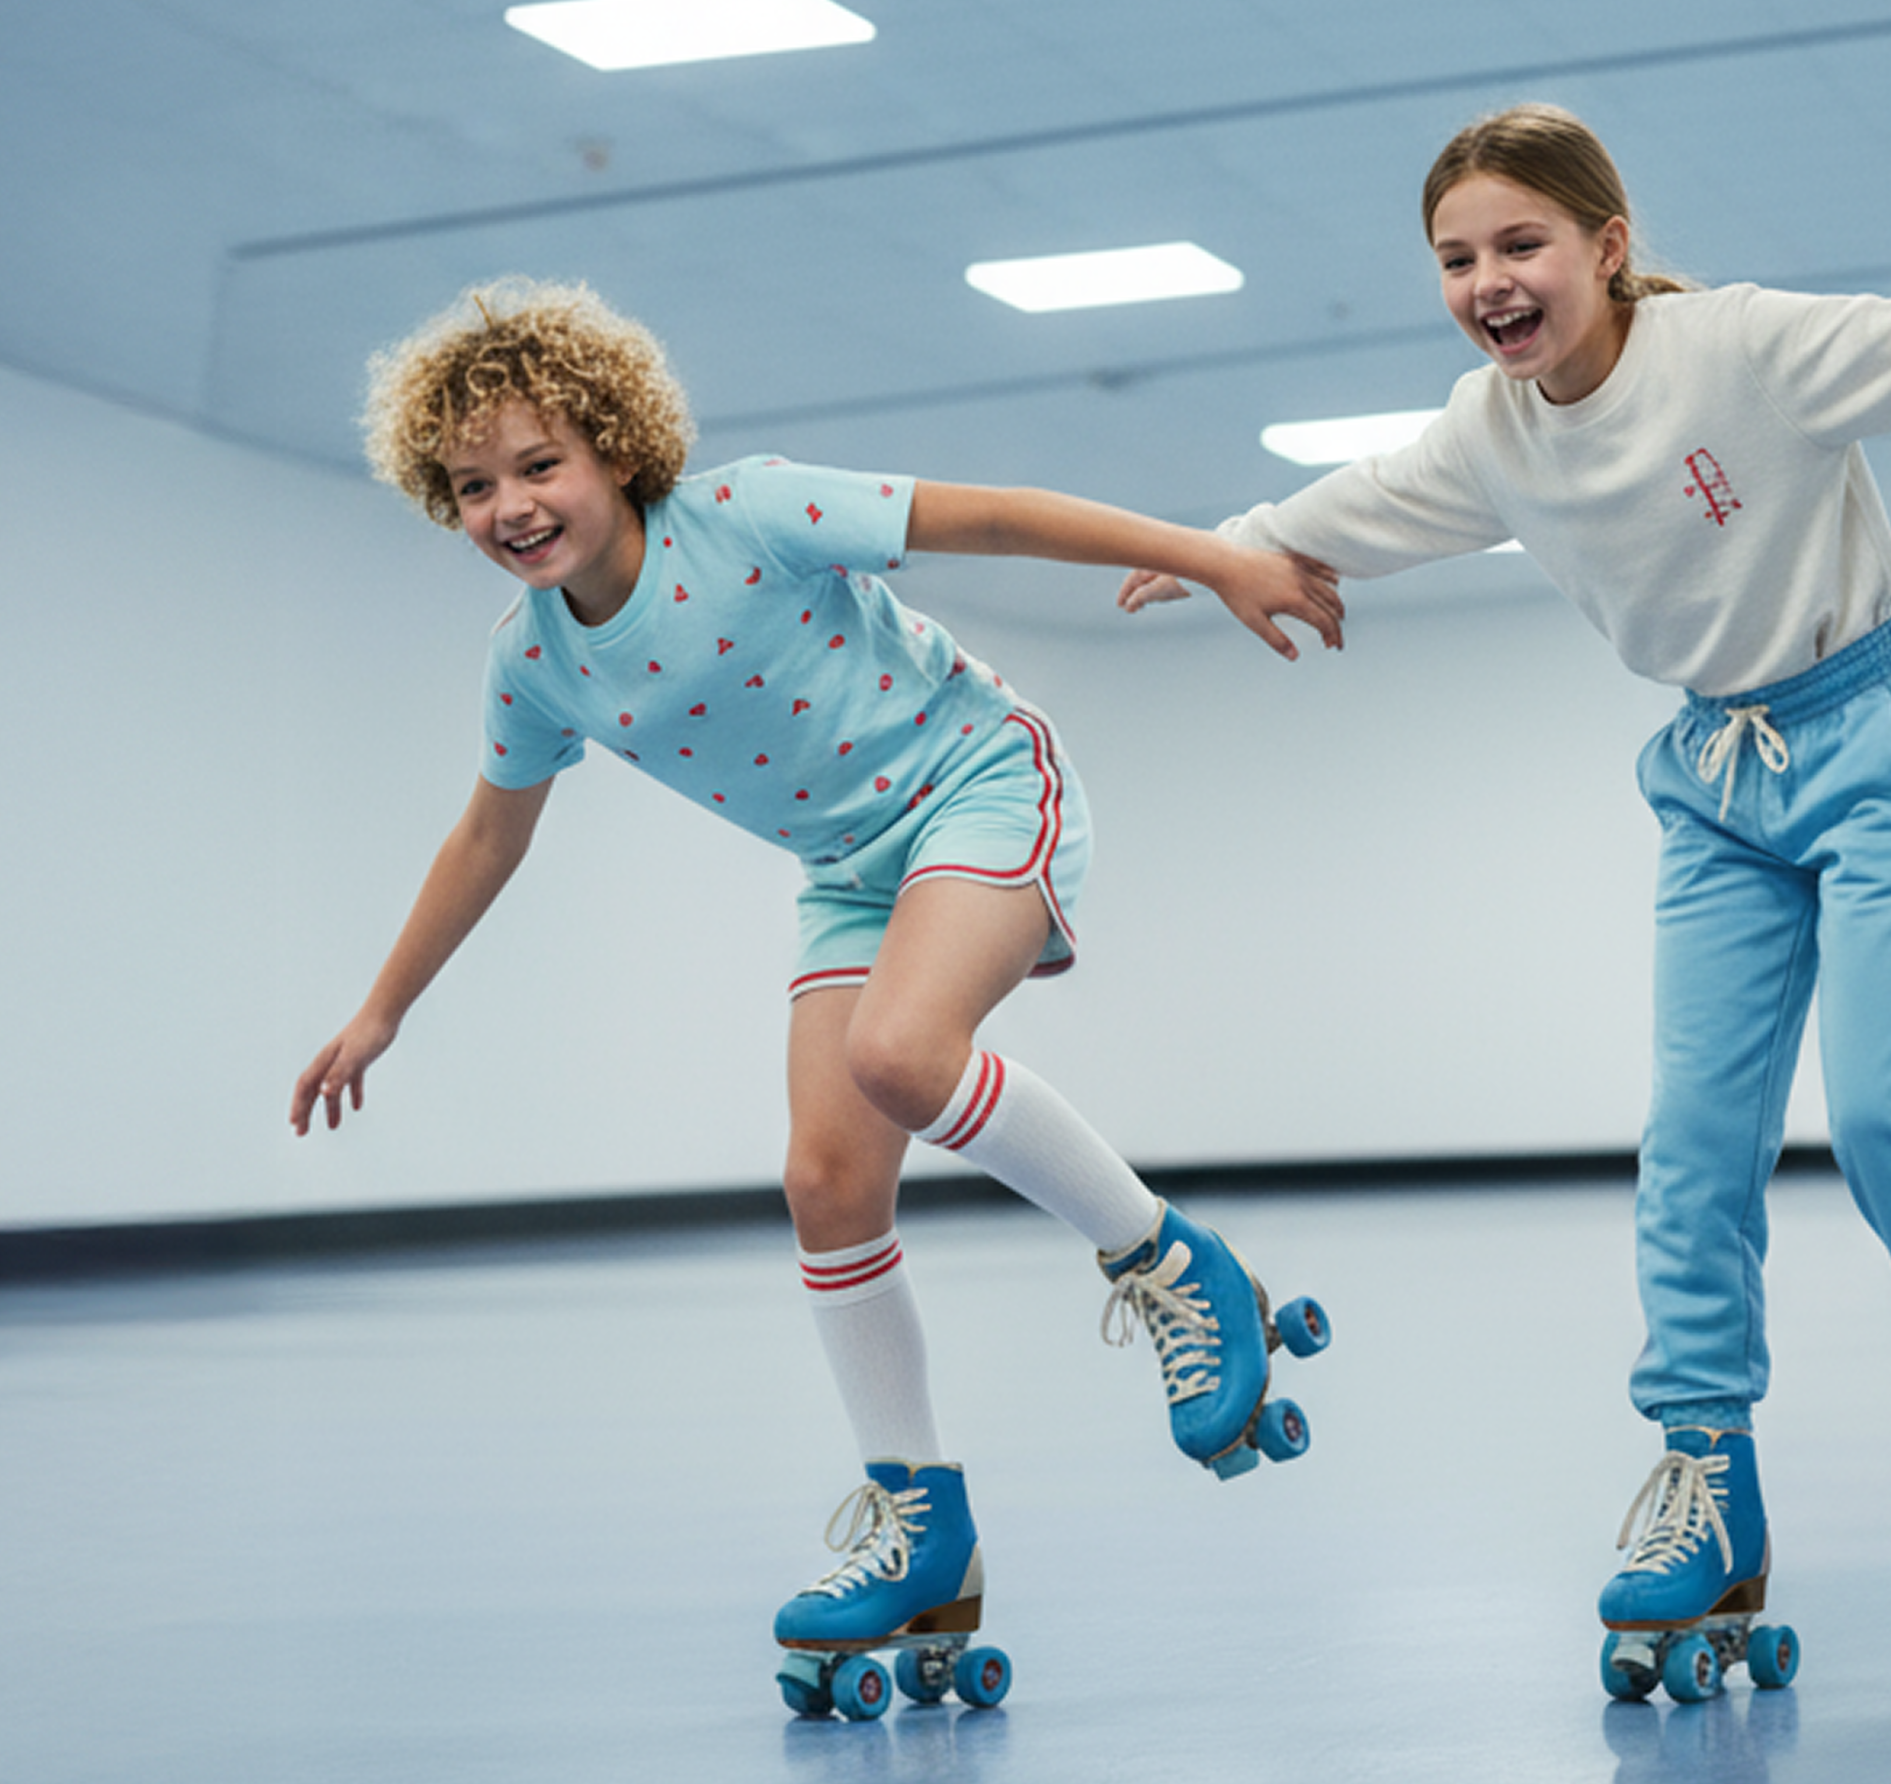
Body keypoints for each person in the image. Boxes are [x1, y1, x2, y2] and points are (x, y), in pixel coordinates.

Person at [1121, 103, 1891, 1683]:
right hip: (1717, 782)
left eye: (1522, 245)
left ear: (1607, 246)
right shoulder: (1491, 432)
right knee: (1693, 1147)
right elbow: (1358, 506)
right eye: (1457, 259)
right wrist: (1220, 549)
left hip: (1875, 736)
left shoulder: (1741, 354)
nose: (1489, 282)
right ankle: (1705, 1478)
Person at [292, 278, 1346, 1709]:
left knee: (903, 1054)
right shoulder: (533, 663)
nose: (512, 505)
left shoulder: (749, 513)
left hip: (979, 781)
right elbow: (490, 831)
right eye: (474, 485)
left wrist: (1216, 558)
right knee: (826, 1181)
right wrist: (383, 1008)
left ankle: (1169, 1263)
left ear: (615, 449)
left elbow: (995, 516)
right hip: (850, 869)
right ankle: (922, 1525)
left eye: (541, 464)